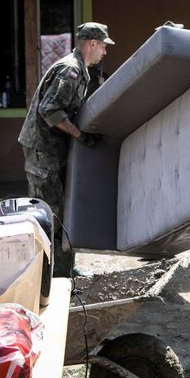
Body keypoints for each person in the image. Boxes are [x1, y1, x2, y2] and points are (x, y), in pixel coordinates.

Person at [18, 22, 114, 278]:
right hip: (44, 154)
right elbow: (49, 109)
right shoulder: (70, 70)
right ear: (92, 43)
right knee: (48, 215)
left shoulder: (79, 69)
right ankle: (43, 277)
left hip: (54, 152)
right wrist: (81, 136)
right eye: (103, 46)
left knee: (62, 212)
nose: (104, 52)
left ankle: (64, 270)